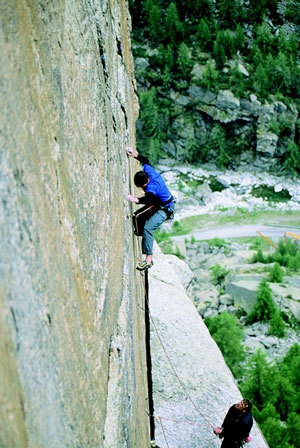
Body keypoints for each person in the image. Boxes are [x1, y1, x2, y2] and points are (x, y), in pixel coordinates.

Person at [126, 147, 175, 271]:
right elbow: (145, 160)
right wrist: (134, 155)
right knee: (139, 218)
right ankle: (141, 234)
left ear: (144, 184)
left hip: (165, 209)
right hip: (161, 203)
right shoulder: (150, 172)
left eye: (141, 188)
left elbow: (149, 201)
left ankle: (148, 260)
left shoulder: (150, 189)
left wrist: (136, 200)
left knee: (148, 228)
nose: (142, 189)